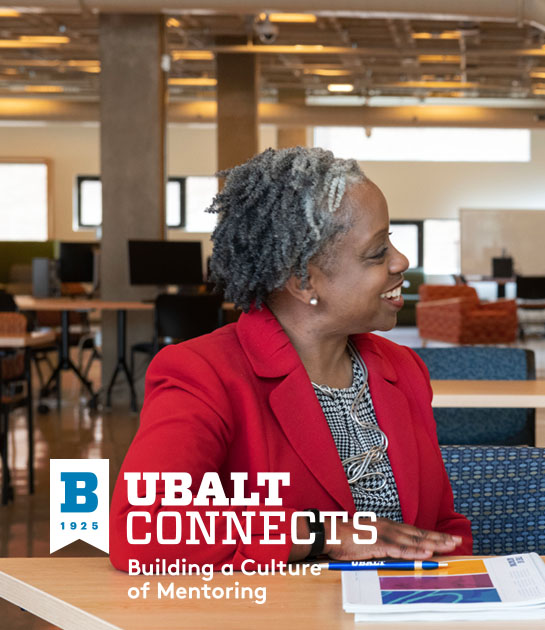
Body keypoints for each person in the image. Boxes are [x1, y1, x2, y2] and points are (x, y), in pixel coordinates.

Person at [110, 147, 472, 571]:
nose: (401, 261)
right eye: (377, 252)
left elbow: (443, 526)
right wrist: (325, 533)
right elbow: (144, 528)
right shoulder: (203, 376)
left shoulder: (403, 370)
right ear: (302, 281)